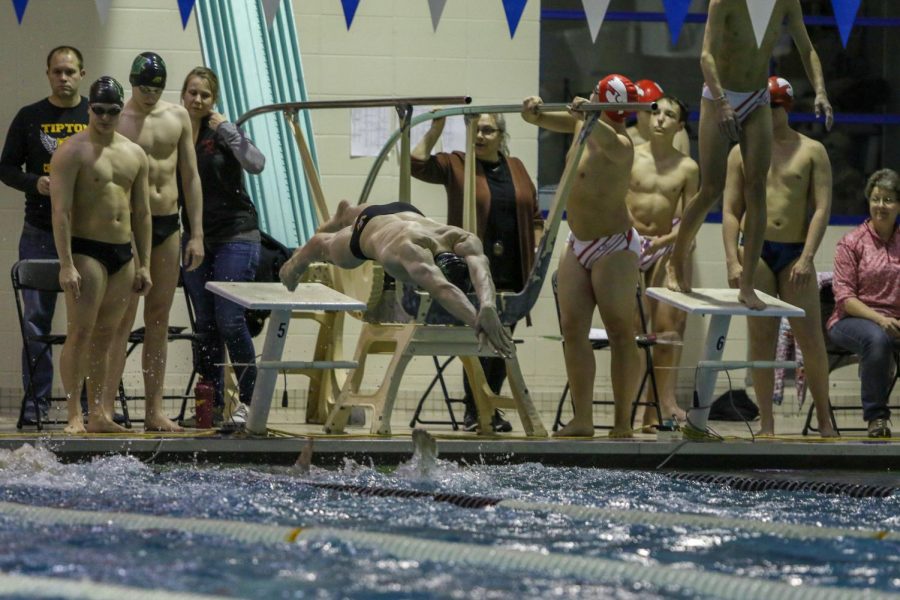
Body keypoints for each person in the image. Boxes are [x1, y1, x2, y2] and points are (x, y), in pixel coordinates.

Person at [665, 0, 833, 311]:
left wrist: (820, 90)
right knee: (710, 188)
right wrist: (721, 102)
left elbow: (806, 47)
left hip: (757, 98)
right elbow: (706, 56)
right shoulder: (724, 2)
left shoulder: (786, 3)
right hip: (719, 94)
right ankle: (675, 261)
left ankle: (747, 285)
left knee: (757, 189)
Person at [522, 74, 642, 438]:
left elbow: (602, 135)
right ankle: (583, 419)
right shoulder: (585, 123)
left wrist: (588, 114)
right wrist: (534, 111)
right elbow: (541, 120)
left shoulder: (621, 143)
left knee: (621, 332)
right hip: (578, 243)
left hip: (614, 247)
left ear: (604, 104)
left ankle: (622, 423)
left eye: (594, 96)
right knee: (572, 329)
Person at [411, 111, 544, 433]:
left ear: (501, 135)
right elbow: (415, 164)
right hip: (474, 266)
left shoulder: (517, 168)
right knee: (477, 337)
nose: (480, 136)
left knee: (501, 338)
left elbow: (534, 215)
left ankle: (492, 409)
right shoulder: (459, 164)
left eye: (487, 130)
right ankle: (475, 410)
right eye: (476, 131)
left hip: (512, 266)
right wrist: (435, 129)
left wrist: (537, 251)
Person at [722, 76, 837, 438]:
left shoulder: (812, 151)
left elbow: (822, 209)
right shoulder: (741, 151)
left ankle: (823, 418)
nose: (761, 113)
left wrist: (807, 257)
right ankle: (767, 422)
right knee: (761, 340)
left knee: (810, 340)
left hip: (794, 253)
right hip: (755, 251)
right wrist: (731, 261)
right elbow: (728, 210)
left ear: (783, 107)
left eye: (767, 106)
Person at [104, 52, 205, 432]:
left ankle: (154, 411)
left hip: (168, 224)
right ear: (131, 83)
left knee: (158, 320)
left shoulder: (178, 117)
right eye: (143, 87)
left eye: (156, 88)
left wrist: (196, 234)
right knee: (121, 320)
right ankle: (106, 406)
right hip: (129, 229)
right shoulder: (118, 119)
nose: (149, 95)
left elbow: (190, 176)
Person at [279, 200, 515, 360]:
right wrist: (477, 322)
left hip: (403, 210)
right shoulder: (412, 251)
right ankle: (299, 260)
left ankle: (346, 213)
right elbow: (442, 289)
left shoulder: (458, 237)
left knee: (367, 215)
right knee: (330, 249)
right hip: (366, 232)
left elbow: (481, 267)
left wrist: (488, 305)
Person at [49, 76, 153, 434]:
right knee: (80, 332)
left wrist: (145, 264)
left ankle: (98, 413)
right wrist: (65, 264)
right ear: (89, 108)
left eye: (112, 111)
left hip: (123, 254)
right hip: (85, 250)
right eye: (98, 110)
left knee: (107, 335)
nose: (105, 117)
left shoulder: (135, 154)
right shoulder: (71, 150)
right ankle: (73, 414)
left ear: (120, 110)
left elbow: (142, 214)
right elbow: (60, 212)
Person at [0, 46, 89, 424]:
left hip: (88, 233)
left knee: (85, 323)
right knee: (36, 321)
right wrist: (34, 182)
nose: (64, 78)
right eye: (57, 72)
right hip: (40, 229)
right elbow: (5, 167)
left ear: (82, 74)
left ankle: (85, 406)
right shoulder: (30, 117)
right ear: (47, 74)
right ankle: (36, 406)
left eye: (70, 71)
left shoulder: (94, 115)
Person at [179, 66, 265, 426]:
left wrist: (227, 128)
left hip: (236, 236)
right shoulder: (177, 132)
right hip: (196, 238)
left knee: (230, 320)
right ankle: (210, 405)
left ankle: (249, 400)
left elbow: (256, 163)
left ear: (214, 101)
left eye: (205, 95)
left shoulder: (222, 133)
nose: (198, 100)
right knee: (206, 324)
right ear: (183, 95)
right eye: (192, 93)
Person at [626, 94, 699, 427]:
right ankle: (627, 408)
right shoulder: (630, 154)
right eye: (655, 111)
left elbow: (689, 218)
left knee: (666, 332)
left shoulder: (687, 167)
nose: (660, 119)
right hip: (626, 245)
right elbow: (614, 198)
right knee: (631, 334)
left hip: (663, 246)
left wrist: (665, 242)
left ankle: (655, 409)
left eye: (670, 114)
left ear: (679, 125)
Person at [827, 169, 900, 438]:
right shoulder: (851, 243)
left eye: (889, 199)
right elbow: (845, 299)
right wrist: (880, 320)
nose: (881, 206)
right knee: (877, 339)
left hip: (895, 321)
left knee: (882, 336)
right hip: (851, 321)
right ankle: (876, 418)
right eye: (877, 199)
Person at [627, 79, 690, 155]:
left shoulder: (678, 133)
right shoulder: (627, 139)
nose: (659, 118)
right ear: (636, 111)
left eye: (658, 111)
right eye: (651, 112)